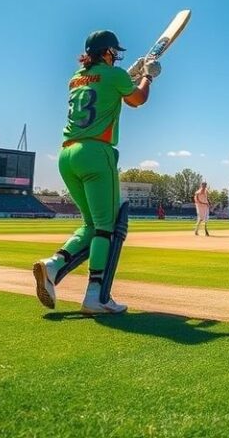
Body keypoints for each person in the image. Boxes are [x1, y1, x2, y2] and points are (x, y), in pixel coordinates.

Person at [32, 29, 160, 314]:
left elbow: (105, 87)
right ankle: (96, 297)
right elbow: (136, 99)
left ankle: (53, 266)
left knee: (91, 225)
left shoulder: (76, 78)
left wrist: (132, 72)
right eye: (114, 52)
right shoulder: (114, 76)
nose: (116, 57)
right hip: (95, 152)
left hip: (67, 155)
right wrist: (147, 76)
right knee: (107, 227)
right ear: (107, 52)